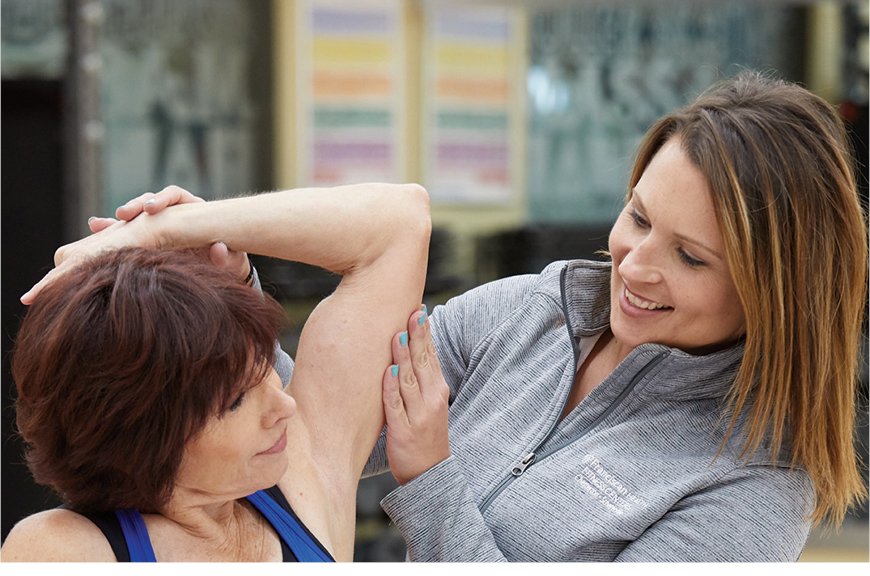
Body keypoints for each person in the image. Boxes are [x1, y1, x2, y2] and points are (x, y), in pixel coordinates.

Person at [370, 72, 868, 561]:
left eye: (690, 257)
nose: (633, 265)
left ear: (772, 296)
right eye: (639, 218)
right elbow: (327, 417)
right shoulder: (527, 311)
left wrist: (431, 481)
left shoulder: (758, 487)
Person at [1, 182, 431, 562]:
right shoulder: (65, 549)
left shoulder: (304, 476)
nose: (283, 405)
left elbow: (402, 219)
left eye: (265, 367)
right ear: (143, 432)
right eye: (236, 400)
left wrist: (174, 227)